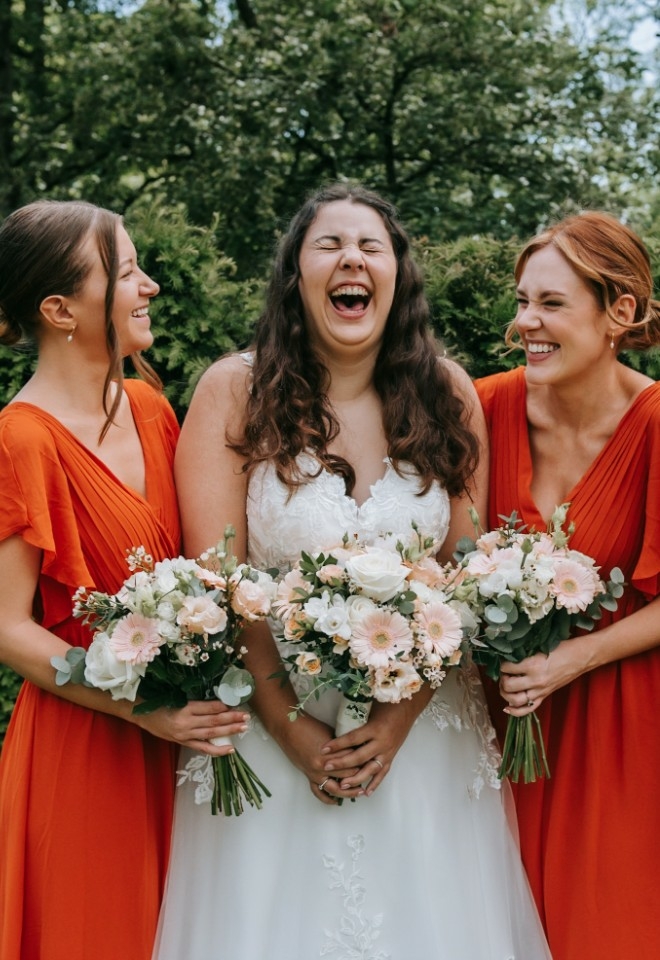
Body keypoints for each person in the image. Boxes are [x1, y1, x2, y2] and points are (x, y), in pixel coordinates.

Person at [154, 183, 550, 959]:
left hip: (422, 736)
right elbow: (220, 580)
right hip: (274, 734)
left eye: (371, 246)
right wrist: (290, 727)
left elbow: (463, 579)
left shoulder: (448, 394)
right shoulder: (232, 391)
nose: (351, 260)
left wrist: (395, 725)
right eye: (328, 244)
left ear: (397, 274)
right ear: (295, 273)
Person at [0, 200, 249, 960]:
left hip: (187, 744)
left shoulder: (149, 407)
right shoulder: (20, 439)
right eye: (130, 270)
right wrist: (140, 707)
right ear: (60, 309)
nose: (152, 288)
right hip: (87, 746)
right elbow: (7, 626)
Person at [475, 210, 660, 959]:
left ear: (619, 312)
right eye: (523, 302)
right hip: (495, 716)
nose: (526, 322)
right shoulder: (483, 406)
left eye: (551, 303)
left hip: (619, 722)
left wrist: (570, 661)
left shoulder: (654, 423)